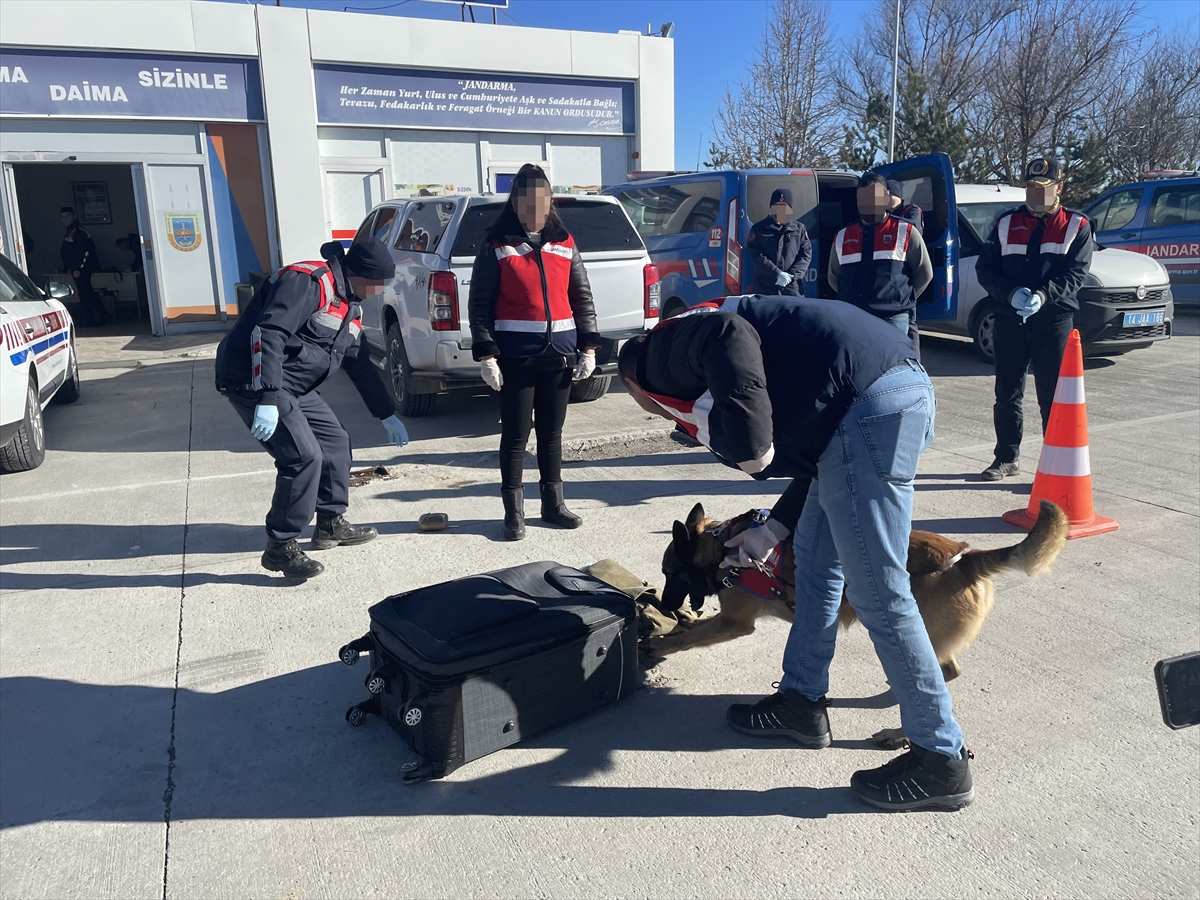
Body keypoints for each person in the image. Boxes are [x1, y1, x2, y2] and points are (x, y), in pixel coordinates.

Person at [617, 295, 973, 812]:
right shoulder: (693, 351)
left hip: (872, 406)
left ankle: (941, 758)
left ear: (631, 384)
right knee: (816, 564)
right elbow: (816, 441)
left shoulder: (654, 358)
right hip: (867, 402)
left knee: (878, 591)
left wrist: (752, 449)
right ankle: (801, 703)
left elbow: (727, 335)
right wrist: (774, 528)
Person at [214, 238, 410, 579]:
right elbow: (269, 334)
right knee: (303, 456)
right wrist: (269, 397)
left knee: (335, 442)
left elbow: (358, 361)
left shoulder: (350, 303)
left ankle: (331, 523)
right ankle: (281, 545)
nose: (380, 290)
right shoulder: (308, 282)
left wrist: (386, 412)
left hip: (294, 385)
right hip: (253, 379)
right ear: (359, 272)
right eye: (378, 282)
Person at [468, 163, 601, 541]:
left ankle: (553, 505)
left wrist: (588, 347)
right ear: (515, 203)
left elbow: (582, 297)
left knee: (551, 434)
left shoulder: (564, 241)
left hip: (559, 355)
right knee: (515, 435)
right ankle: (514, 513)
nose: (536, 209)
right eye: (528, 201)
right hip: (515, 358)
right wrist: (487, 356)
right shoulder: (498, 244)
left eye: (543, 201)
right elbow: (479, 304)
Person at [974, 157, 1093, 482]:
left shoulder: (1077, 226)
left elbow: (1076, 274)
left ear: (1059, 187)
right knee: (1007, 391)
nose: (1036, 194)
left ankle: (1053, 463)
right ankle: (1006, 458)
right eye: (1030, 187)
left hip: (1053, 319)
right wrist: (1009, 293)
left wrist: (1043, 295)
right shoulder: (1006, 223)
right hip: (1010, 317)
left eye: (1043, 188)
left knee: (1052, 396)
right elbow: (985, 269)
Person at [829, 172, 931, 346]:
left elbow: (924, 273)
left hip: (892, 319)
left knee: (892, 370)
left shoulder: (905, 231)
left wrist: (901, 299)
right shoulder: (843, 235)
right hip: (854, 319)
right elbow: (834, 277)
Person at [886, 177, 926, 358]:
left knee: (909, 325)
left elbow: (908, 230)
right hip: (892, 275)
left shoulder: (912, 211)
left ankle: (914, 361)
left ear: (892, 194)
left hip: (908, 273)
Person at [746, 188, 812, 296]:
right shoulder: (758, 228)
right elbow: (756, 255)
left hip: (792, 289)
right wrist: (777, 273)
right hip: (765, 288)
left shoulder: (799, 229)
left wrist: (792, 275)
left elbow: (805, 255)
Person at [58, 207, 105, 326]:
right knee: (85, 293)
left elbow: (85, 252)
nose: (65, 219)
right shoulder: (69, 231)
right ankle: (101, 315)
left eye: (67, 216)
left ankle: (92, 319)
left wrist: (78, 268)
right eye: (63, 217)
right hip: (75, 269)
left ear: (73, 216)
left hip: (83, 269)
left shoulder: (79, 232)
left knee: (85, 294)